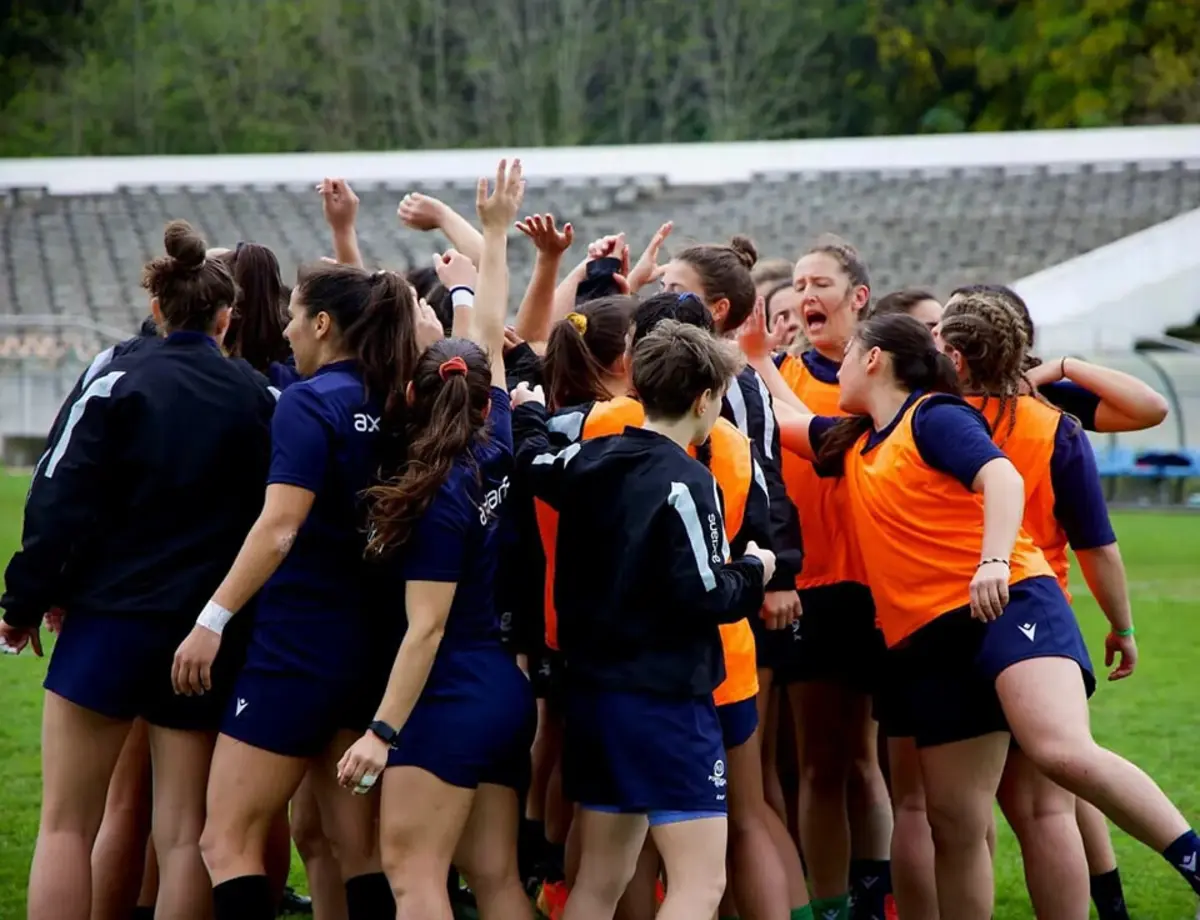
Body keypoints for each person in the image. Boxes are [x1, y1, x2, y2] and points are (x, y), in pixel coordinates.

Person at [750, 309, 1200, 920]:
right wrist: (748, 357)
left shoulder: (933, 415)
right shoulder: (855, 437)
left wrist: (992, 560)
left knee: (1059, 749)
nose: (839, 367)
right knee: (954, 823)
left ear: (875, 359)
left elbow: (1002, 476)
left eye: (852, 353)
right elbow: (781, 420)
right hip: (927, 641)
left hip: (1008, 599)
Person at [1, 220, 277, 920]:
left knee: (67, 823)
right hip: (203, 636)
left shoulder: (118, 374)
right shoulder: (255, 395)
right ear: (225, 318)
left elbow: (54, 496)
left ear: (158, 308)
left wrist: (24, 601)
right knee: (185, 834)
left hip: (110, 623)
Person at [175, 259, 442, 920]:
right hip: (374, 643)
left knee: (225, 840)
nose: (288, 329)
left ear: (322, 324)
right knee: (357, 850)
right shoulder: (400, 398)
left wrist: (212, 618)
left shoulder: (308, 401)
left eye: (296, 317)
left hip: (297, 646)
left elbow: (279, 529)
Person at [512, 319, 776, 920]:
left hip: (595, 694)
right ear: (706, 400)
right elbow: (708, 593)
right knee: (699, 883)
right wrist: (755, 569)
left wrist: (526, 409)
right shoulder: (689, 480)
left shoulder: (589, 456)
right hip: (665, 700)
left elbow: (531, 463)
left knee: (600, 880)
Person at [335, 157, 536, 920]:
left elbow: (424, 629)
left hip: (447, 695)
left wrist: (382, 733)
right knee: (494, 879)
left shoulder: (431, 492)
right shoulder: (494, 441)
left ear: (412, 395)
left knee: (414, 878)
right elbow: (485, 329)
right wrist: (491, 235)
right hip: (501, 690)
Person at [762, 236, 894, 920]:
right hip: (811, 590)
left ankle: (879, 892)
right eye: (800, 285)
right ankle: (831, 903)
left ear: (858, 297)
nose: (806, 296)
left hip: (885, 594)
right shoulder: (780, 375)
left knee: (871, 761)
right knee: (819, 763)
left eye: (821, 284)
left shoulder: (885, 377)